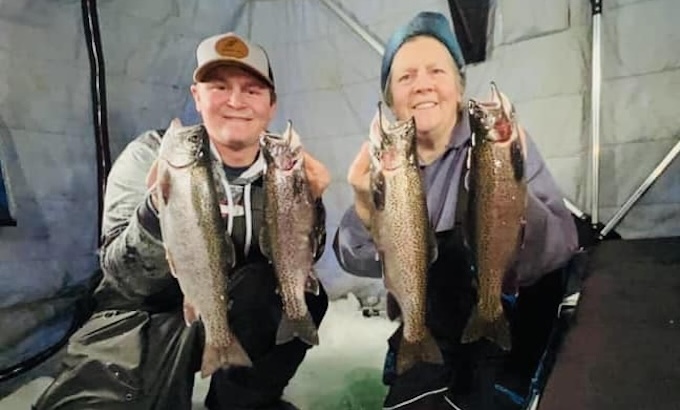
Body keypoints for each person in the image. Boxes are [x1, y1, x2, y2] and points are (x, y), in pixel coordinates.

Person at [34, 32, 330, 410]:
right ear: (197, 96)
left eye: (252, 90)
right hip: (144, 319)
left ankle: (242, 400)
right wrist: (160, 209)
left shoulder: (286, 167)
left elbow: (301, 261)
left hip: (233, 308)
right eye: (219, 86)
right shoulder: (149, 155)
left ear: (271, 105)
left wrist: (312, 206)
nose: (236, 101)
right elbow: (123, 276)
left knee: (303, 295)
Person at [333, 11, 579, 410]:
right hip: (429, 332)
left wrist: (508, 190)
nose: (423, 85)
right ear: (391, 100)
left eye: (437, 70)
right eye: (406, 77)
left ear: (460, 86)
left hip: (505, 332)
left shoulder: (500, 144)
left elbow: (559, 247)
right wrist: (365, 207)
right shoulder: (387, 166)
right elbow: (355, 261)